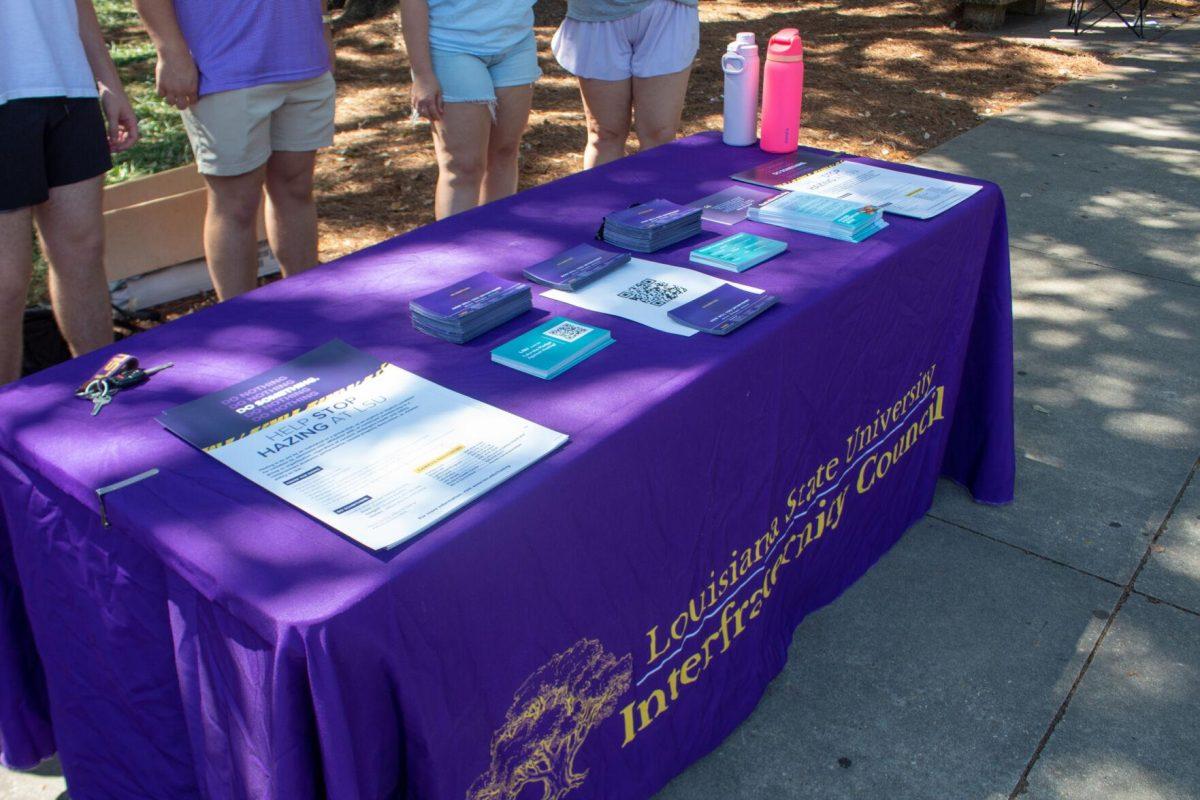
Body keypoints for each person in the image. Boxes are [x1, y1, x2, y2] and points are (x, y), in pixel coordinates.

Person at [132, 0, 336, 300]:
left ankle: (305, 308)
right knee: (236, 204)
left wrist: (324, 27)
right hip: (221, 65)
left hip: (303, 57)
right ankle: (240, 325)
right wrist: (170, 50)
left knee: (296, 188)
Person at [0, 0, 139, 387]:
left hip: (68, 85)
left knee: (82, 250)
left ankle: (104, 390)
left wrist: (108, 82)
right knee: (6, 281)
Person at [399, 0, 540, 219]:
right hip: (450, 44)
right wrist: (422, 74)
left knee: (505, 152)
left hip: (516, 39)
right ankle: (456, 250)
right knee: (463, 167)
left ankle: (495, 242)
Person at [552, 0, 699, 169]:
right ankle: (604, 195)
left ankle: (653, 196)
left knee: (660, 134)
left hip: (668, 9)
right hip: (595, 11)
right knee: (605, 135)